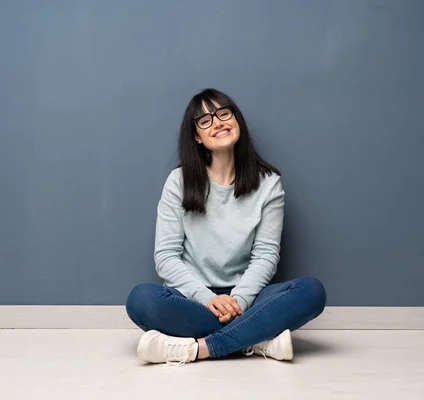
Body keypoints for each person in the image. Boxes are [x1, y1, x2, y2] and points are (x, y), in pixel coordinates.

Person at [126, 88, 326, 365]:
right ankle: (256, 340)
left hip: (248, 298)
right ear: (197, 136)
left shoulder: (268, 184)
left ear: (236, 120)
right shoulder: (178, 181)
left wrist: (240, 300)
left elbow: (266, 256)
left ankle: (199, 349)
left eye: (223, 113)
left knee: (311, 292)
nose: (217, 122)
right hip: (191, 298)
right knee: (141, 300)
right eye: (205, 120)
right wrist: (207, 298)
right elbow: (166, 256)